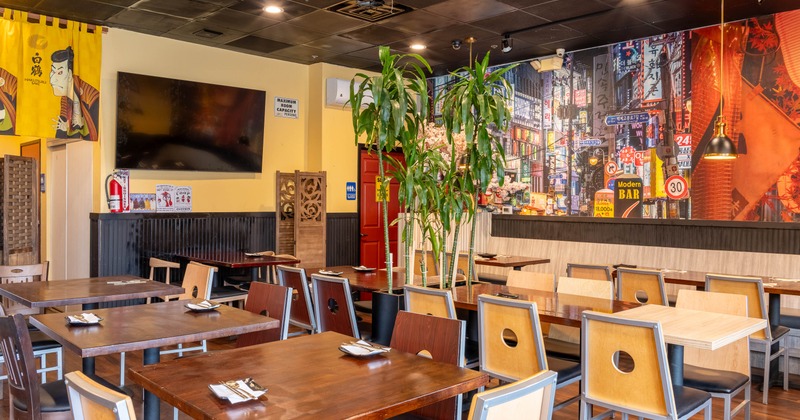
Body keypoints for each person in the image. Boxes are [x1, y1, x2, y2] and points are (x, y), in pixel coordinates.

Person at [49, 46, 98, 140]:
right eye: (52, 71)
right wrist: (64, 129)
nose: (52, 79)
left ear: (70, 74)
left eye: (59, 73)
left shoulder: (91, 98)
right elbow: (60, 136)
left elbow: (93, 134)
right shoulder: (65, 100)